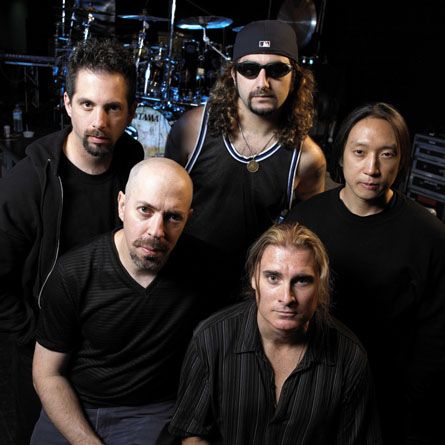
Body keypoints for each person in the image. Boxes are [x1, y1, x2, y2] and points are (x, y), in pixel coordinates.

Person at [0, 38, 143, 444]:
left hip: (110, 352)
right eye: (87, 104)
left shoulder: (134, 167)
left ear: (130, 111)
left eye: (112, 108)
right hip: (43, 352)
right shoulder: (29, 182)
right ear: (67, 103)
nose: (99, 121)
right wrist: (36, 334)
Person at [285, 102, 445, 444]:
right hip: (308, 389)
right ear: (341, 155)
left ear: (401, 161)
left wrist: (409, 408)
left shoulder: (429, 236)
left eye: (387, 155)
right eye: (359, 152)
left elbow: (435, 338)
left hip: (387, 402)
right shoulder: (305, 221)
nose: (372, 168)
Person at [31, 158, 209, 444]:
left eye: (173, 217)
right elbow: (47, 374)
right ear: (122, 205)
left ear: (188, 218)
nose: (156, 231)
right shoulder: (74, 273)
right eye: (145, 210)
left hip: (150, 412)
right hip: (75, 402)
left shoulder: (205, 270)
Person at [169, 223, 382, 444]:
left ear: (320, 285)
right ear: (254, 278)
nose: (287, 298)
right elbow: (192, 434)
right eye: (273, 278)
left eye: (302, 281)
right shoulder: (211, 339)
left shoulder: (349, 357)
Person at [164, 20, 326, 298]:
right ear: (234, 75)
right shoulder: (192, 129)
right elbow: (162, 207)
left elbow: (301, 247)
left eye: (277, 70)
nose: (262, 83)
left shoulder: (308, 159)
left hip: (247, 296)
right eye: (249, 69)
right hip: (179, 282)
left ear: (296, 77)